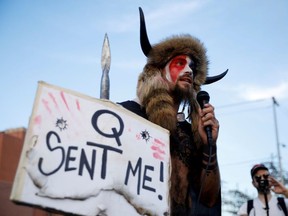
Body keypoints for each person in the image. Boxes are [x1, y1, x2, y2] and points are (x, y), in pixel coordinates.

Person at [118, 7, 227, 215]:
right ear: (159, 70)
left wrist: (208, 147)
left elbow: (209, 199)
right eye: (179, 63)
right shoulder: (126, 115)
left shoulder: (192, 133)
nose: (188, 71)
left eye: (192, 68)